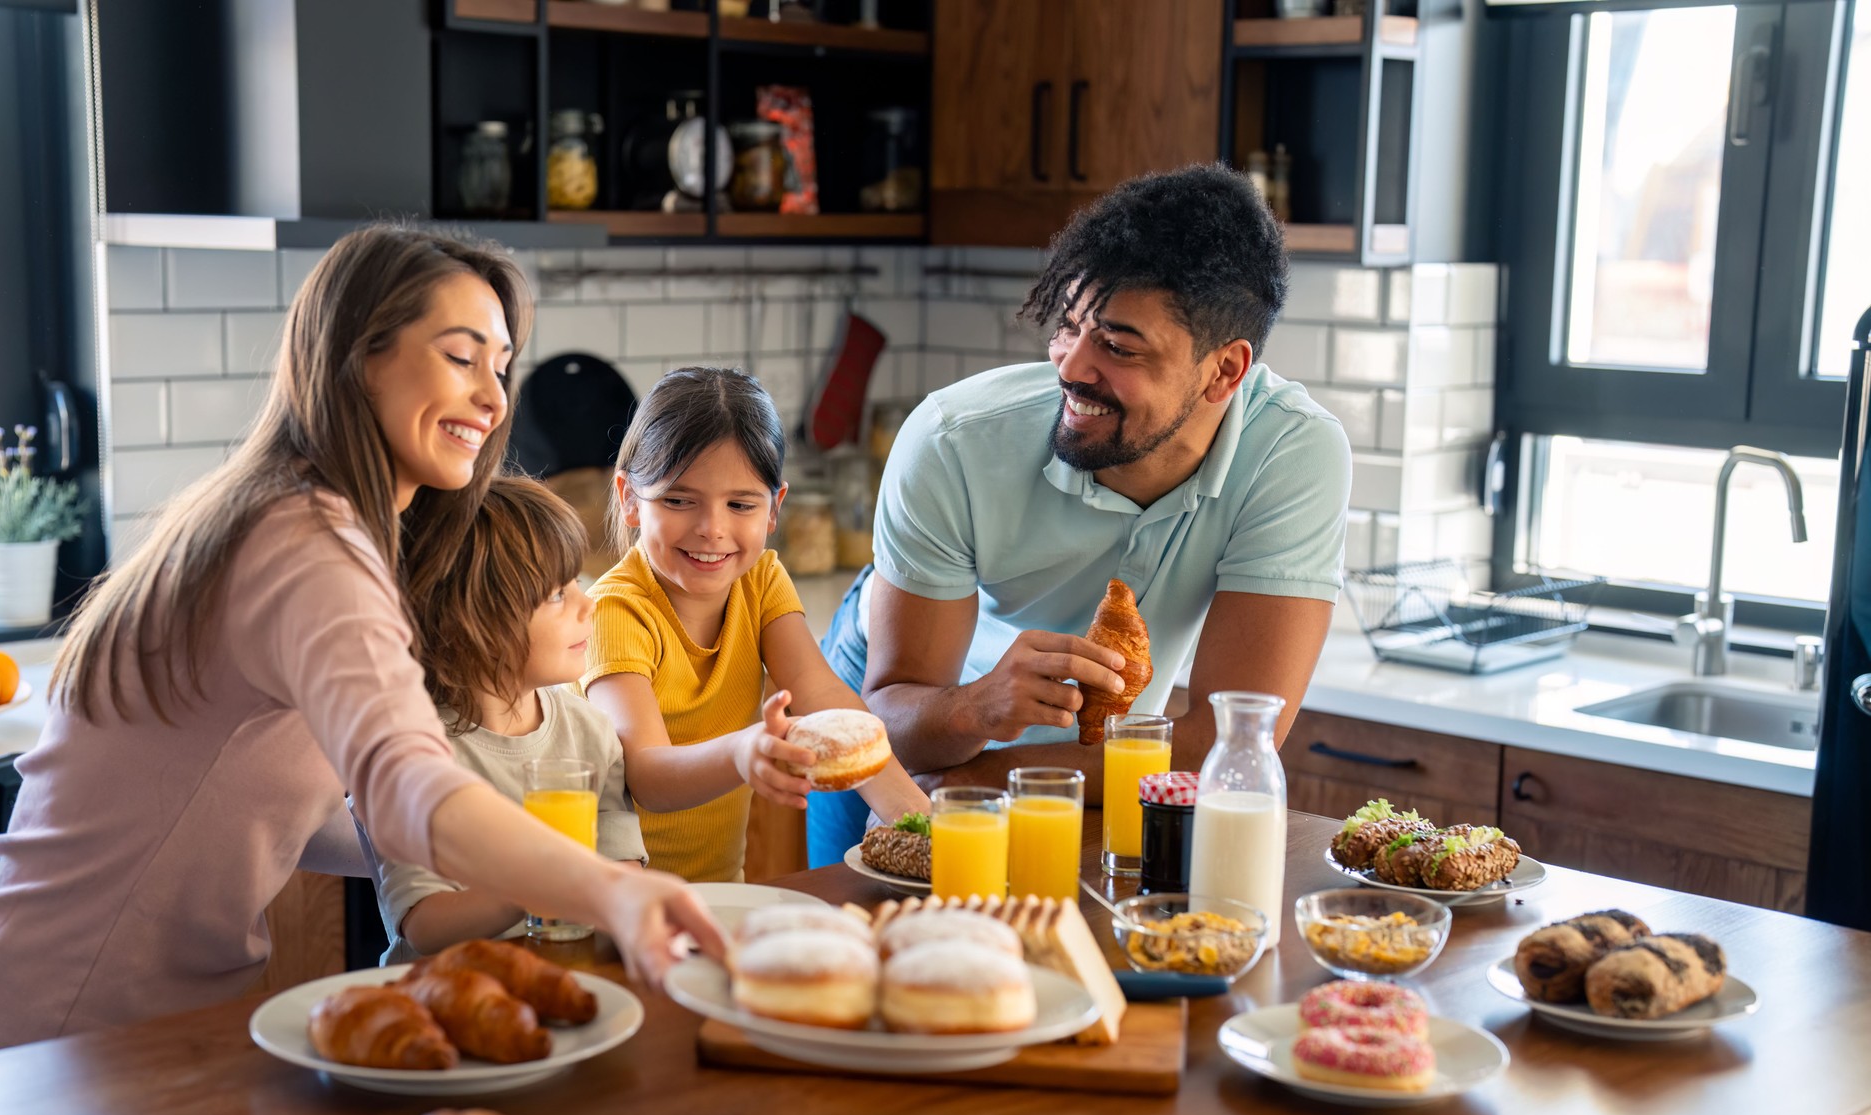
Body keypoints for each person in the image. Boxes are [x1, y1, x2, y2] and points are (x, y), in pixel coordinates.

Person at [0, 225, 723, 1055]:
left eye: (500, 368)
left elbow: (257, 804)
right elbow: (404, 789)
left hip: (94, 1024)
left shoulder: (291, 515)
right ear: (359, 358)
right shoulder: (304, 545)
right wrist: (606, 888)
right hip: (56, 1036)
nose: (496, 400)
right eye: (463, 358)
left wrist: (465, 855)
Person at [808, 164, 1352, 865]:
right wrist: (979, 709)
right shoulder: (953, 442)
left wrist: (993, 780)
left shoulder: (1293, 455)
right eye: (1068, 327)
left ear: (1224, 371)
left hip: (1088, 766)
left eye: (1119, 348)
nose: (1072, 365)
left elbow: (1223, 739)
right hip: (910, 717)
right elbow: (892, 714)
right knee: (861, 942)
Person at [583, 366, 928, 883]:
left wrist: (922, 822)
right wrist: (742, 750)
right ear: (630, 498)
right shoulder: (617, 610)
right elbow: (648, 774)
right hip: (613, 902)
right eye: (678, 500)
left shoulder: (761, 579)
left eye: (740, 504)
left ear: (774, 509)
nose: (712, 529)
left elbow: (821, 694)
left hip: (722, 890)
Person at [367, 474, 647, 965]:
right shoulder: (418, 755)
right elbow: (424, 923)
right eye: (558, 595)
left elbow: (621, 862)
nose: (590, 602)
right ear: (476, 623)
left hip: (562, 970)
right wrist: (531, 884)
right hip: (448, 994)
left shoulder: (590, 730)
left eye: (576, 584)